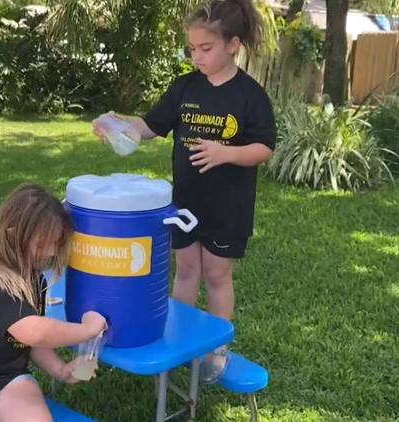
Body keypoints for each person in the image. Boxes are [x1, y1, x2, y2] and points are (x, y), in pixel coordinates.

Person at [92, 0, 276, 383]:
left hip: (228, 208)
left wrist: (225, 153)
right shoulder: (185, 88)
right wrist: (116, 124)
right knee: (186, 270)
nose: (197, 57)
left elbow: (264, 148)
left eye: (205, 49)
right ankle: (178, 341)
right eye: (191, 49)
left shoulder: (250, 95)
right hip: (185, 205)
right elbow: (149, 126)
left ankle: (216, 347)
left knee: (216, 275)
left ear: (232, 44)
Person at [0, 183, 107, 422]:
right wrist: (87, 330)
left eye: (55, 243)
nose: (52, 252)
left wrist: (59, 369)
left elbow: (29, 342)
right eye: (43, 245)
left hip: (8, 380)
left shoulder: (34, 279)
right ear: (14, 235)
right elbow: (34, 332)